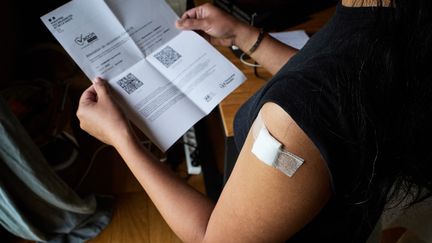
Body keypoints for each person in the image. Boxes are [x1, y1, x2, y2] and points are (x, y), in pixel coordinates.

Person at [76, 0, 432, 242]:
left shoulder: (293, 124)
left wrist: (122, 140)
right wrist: (243, 36)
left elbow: (211, 237)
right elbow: (345, 85)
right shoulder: (394, 16)